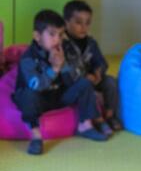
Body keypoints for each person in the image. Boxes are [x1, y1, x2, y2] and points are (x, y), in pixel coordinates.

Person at [12, 10, 108, 155]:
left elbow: (72, 80)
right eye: (51, 34)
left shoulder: (63, 50)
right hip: (38, 98)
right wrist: (54, 68)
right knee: (27, 95)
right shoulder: (28, 58)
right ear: (37, 36)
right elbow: (36, 85)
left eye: (60, 35)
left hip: (57, 95)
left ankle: (85, 125)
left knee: (84, 83)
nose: (57, 40)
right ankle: (36, 136)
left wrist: (63, 65)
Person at [63, 0, 122, 134]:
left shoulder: (91, 42)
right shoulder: (63, 44)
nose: (84, 27)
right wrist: (85, 78)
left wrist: (98, 74)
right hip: (75, 83)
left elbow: (101, 62)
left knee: (111, 82)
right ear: (66, 22)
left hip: (92, 79)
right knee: (86, 85)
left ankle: (110, 115)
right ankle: (97, 119)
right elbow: (66, 70)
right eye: (78, 22)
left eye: (87, 23)